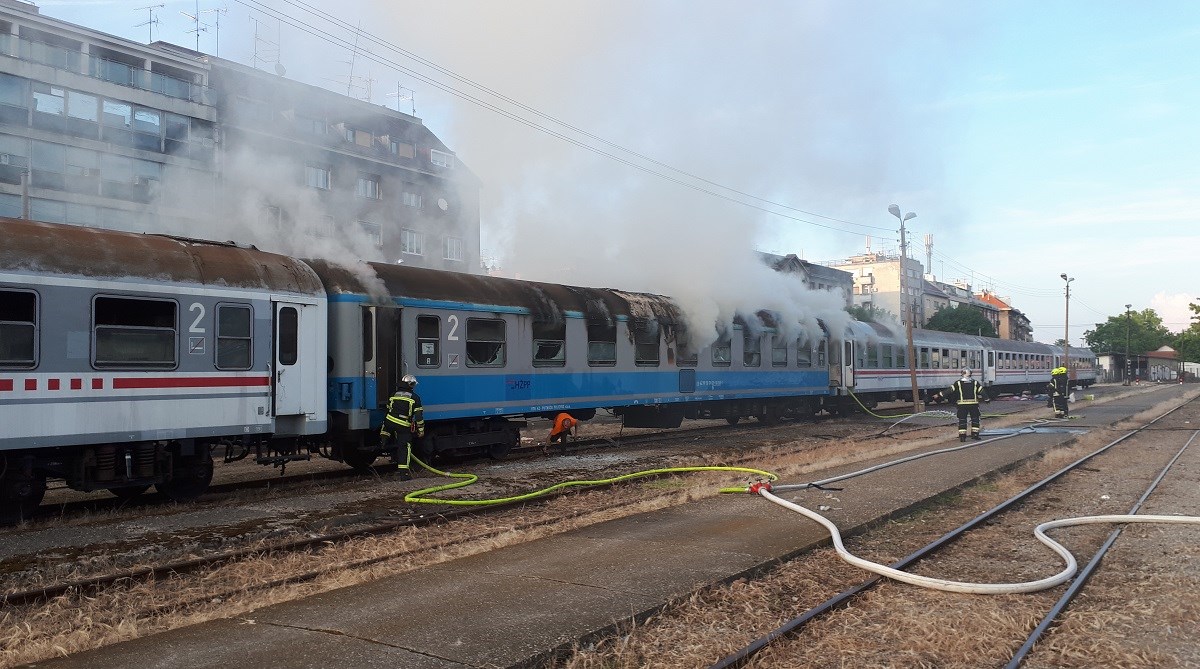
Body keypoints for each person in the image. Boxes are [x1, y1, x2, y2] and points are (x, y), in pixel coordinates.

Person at [379, 374, 424, 479]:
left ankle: (383, 441)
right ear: (411, 385)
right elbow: (418, 417)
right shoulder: (415, 398)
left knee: (386, 427)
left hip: (389, 422)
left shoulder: (393, 394)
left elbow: (388, 409)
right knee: (404, 447)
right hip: (403, 425)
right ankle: (404, 474)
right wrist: (421, 431)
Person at [933, 369, 988, 442]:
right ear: (970, 374)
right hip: (973, 405)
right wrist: (987, 399)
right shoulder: (975, 383)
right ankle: (975, 435)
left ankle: (962, 436)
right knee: (975, 419)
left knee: (962, 420)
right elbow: (982, 391)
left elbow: (949, 390)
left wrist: (938, 395)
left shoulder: (958, 383)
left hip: (962, 406)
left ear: (962, 374)